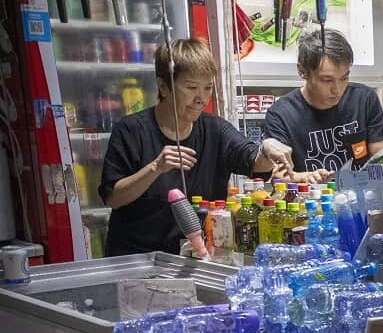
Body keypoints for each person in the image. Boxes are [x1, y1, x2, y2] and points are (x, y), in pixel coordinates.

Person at [99, 38, 294, 255]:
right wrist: (155, 168)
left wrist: (268, 146)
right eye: (191, 87)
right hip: (138, 258)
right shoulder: (131, 131)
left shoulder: (215, 130)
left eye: (207, 88)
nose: (201, 98)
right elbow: (113, 198)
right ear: (164, 86)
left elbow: (254, 160)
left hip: (195, 255)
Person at [265, 29, 383, 183]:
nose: (337, 90)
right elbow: (278, 175)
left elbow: (382, 159)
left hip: (362, 197)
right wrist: (306, 177)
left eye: (344, 78)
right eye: (326, 80)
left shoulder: (364, 100)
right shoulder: (281, 114)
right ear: (302, 71)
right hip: (310, 201)